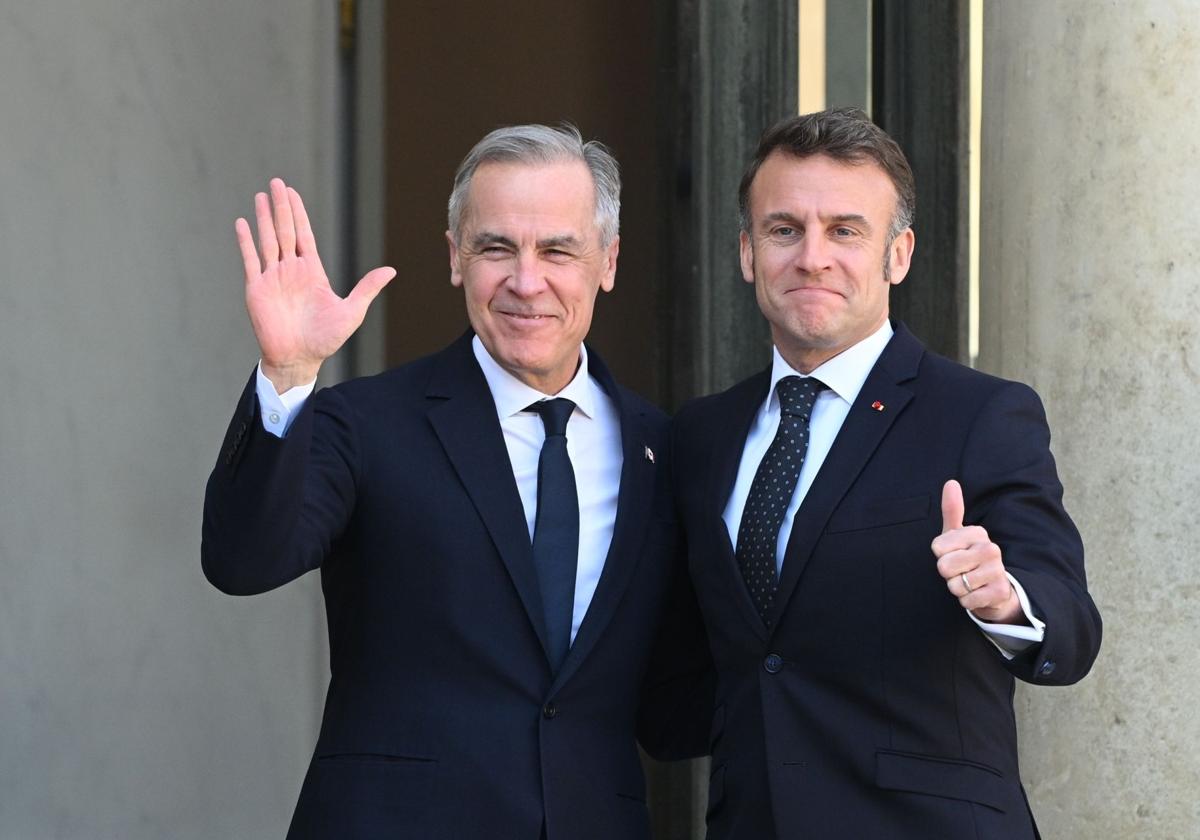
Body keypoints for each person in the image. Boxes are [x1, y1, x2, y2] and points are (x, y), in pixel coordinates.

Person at [202, 124, 708, 840]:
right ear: (454, 258)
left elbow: (670, 705)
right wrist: (288, 375)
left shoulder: (663, 449)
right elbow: (242, 560)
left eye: (558, 249)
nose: (525, 281)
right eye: (495, 247)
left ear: (609, 262)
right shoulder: (368, 422)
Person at [671, 108, 1102, 839]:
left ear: (897, 255)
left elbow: (1071, 624)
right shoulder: (700, 435)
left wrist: (1004, 600)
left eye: (845, 230)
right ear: (747, 253)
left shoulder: (981, 415)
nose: (812, 257)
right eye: (784, 230)